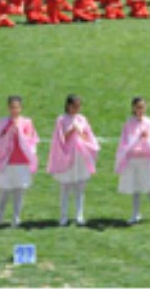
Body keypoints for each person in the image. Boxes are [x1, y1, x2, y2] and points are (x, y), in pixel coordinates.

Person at [0, 95, 39, 227]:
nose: (14, 110)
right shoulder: (3, 122)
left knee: (19, 191)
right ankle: (0, 216)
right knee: (4, 191)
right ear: (8, 108)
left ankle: (16, 217)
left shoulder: (26, 122)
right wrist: (9, 131)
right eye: (12, 107)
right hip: (7, 162)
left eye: (17, 107)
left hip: (21, 162)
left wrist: (19, 131)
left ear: (20, 108)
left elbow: (31, 141)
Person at [47, 94, 99, 227]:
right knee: (65, 187)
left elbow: (88, 136)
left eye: (78, 106)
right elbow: (59, 139)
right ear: (68, 106)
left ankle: (79, 215)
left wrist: (80, 134)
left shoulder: (82, 119)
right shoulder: (62, 119)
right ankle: (63, 216)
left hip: (80, 157)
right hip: (67, 157)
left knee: (80, 187)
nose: (76, 109)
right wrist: (70, 131)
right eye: (74, 106)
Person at [115, 96, 150, 225]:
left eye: (142, 107)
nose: (140, 110)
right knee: (136, 188)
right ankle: (135, 214)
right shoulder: (129, 123)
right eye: (137, 107)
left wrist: (146, 139)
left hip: (146, 158)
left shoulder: (149, 122)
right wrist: (137, 138)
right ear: (133, 108)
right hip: (133, 159)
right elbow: (126, 141)